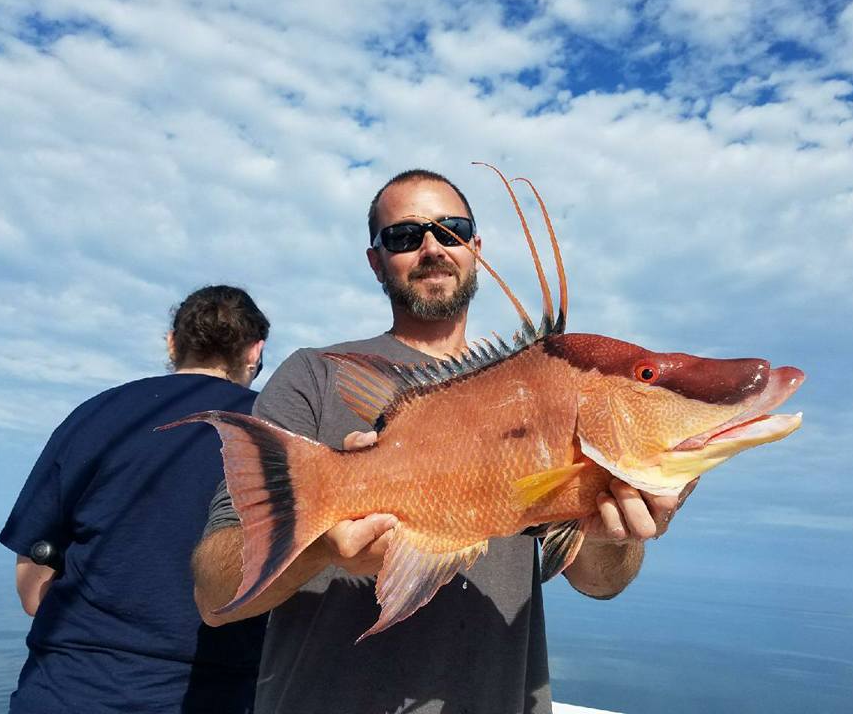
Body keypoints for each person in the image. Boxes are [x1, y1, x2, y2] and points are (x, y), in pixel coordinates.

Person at [192, 171, 692, 714]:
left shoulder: (546, 388)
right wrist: (322, 547)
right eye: (404, 236)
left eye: (450, 230)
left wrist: (616, 532)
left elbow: (600, 584)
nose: (431, 247)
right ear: (376, 260)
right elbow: (215, 598)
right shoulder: (315, 376)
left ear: (475, 247)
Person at [0, 285, 271, 714]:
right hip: (215, 696)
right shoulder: (273, 433)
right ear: (255, 351)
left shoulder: (93, 415)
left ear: (173, 343)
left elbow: (32, 591)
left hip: (63, 693)